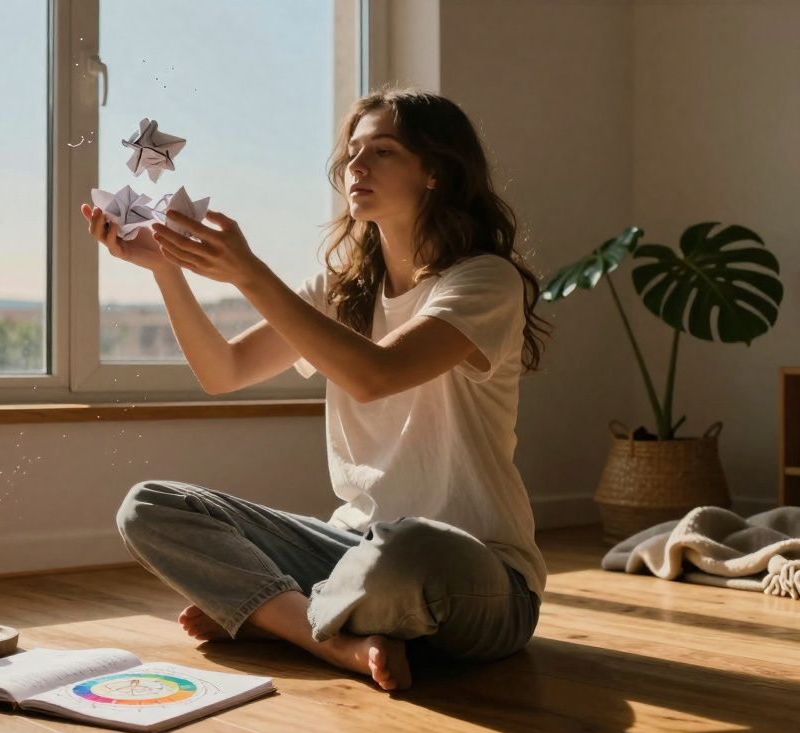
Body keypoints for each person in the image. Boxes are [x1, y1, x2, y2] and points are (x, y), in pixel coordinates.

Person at [80, 86, 551, 692]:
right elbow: (224, 371)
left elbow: (375, 375)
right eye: (352, 152)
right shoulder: (341, 288)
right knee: (148, 506)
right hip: (350, 549)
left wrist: (249, 273)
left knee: (406, 550)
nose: (356, 166)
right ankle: (331, 638)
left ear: (435, 171)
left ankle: (275, 614)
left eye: (382, 151)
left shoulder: (485, 280)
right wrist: (167, 270)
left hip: (473, 571)